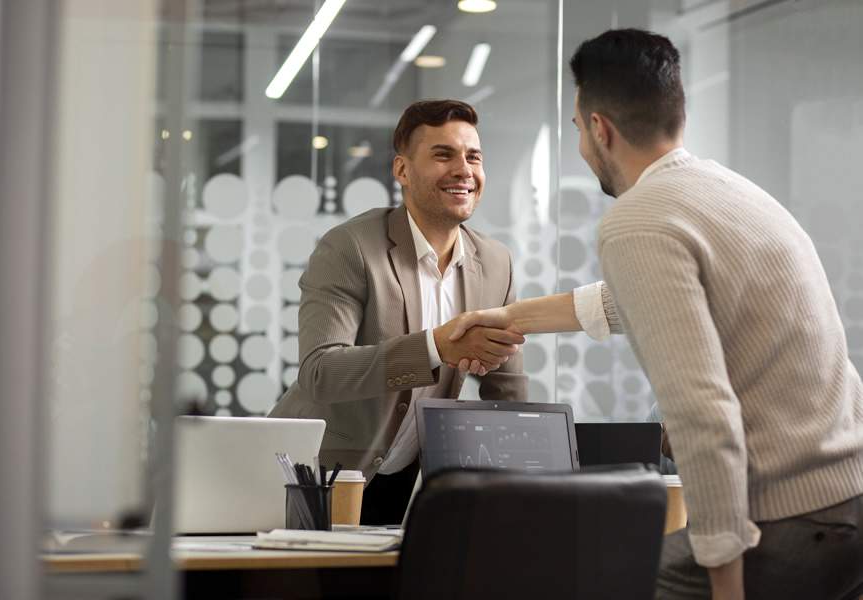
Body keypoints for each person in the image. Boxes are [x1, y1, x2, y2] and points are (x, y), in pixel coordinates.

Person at [446, 30, 863, 599]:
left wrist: (725, 580)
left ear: (600, 130)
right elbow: (631, 300)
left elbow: (701, 411)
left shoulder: (639, 219)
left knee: (573, 578)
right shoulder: (726, 192)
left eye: (576, 130)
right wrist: (508, 318)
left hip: (790, 522)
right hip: (847, 501)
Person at [270, 99, 618, 524]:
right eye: (443, 155)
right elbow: (321, 371)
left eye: (474, 156)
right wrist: (437, 346)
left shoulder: (494, 261)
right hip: (316, 475)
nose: (464, 170)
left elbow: (505, 388)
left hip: (402, 476)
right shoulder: (351, 247)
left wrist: (524, 489)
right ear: (402, 171)